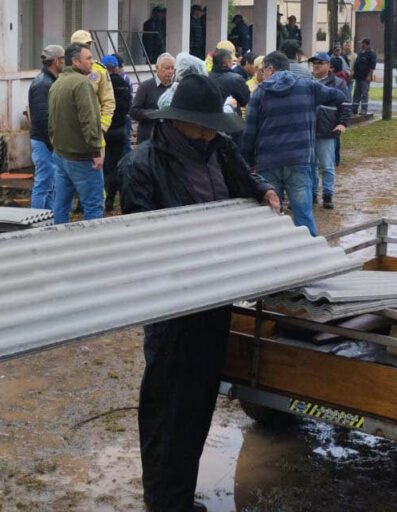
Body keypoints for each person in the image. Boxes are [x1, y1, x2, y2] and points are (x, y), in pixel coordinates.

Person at [119, 75, 279, 512]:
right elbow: (139, 247)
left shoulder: (218, 151)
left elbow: (246, 180)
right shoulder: (141, 165)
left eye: (214, 124)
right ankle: (164, 502)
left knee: (198, 404)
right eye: (202, 125)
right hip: (173, 309)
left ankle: (180, 497)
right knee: (166, 408)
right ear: (178, 122)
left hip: (215, 298)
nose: (209, 131)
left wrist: (264, 189)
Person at [242, 51, 348, 236]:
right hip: (299, 160)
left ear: (271, 69)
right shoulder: (308, 86)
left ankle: (276, 257)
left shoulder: (260, 92)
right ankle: (310, 255)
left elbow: (250, 132)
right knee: (303, 215)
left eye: (263, 70)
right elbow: (338, 96)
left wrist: (248, 161)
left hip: (269, 162)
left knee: (271, 214)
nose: (262, 74)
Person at [48, 43, 104, 224]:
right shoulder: (82, 84)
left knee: (61, 205)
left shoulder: (58, 82)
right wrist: (96, 152)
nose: (92, 62)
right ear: (75, 61)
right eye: (88, 58)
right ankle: (91, 248)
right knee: (94, 206)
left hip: (61, 154)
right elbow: (90, 120)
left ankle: (59, 243)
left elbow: (51, 121)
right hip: (81, 158)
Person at [309, 52, 351, 210]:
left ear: (328, 66)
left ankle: (327, 195)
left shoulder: (338, 83)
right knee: (310, 165)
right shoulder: (308, 81)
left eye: (320, 63)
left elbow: (346, 105)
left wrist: (342, 123)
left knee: (327, 165)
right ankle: (312, 193)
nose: (316, 65)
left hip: (327, 130)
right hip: (308, 130)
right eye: (314, 63)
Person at [28, 44, 65, 210]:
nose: (65, 63)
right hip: (44, 142)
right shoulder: (42, 85)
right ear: (57, 61)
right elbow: (43, 119)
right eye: (63, 59)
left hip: (48, 142)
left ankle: (50, 220)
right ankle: (36, 224)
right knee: (43, 185)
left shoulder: (50, 81)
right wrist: (53, 143)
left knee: (52, 186)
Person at [69, 29, 116, 142]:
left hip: (93, 132)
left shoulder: (99, 70)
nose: (87, 47)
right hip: (69, 131)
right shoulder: (65, 69)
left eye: (88, 44)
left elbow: (108, 101)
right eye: (84, 44)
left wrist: (102, 127)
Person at [101, 54, 133, 212]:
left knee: (101, 166)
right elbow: (128, 106)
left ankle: (95, 198)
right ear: (116, 67)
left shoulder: (101, 83)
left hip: (103, 130)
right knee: (114, 166)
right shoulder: (124, 83)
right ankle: (110, 200)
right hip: (120, 129)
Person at [131, 53, 176, 143]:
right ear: (157, 68)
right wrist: (155, 114)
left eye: (172, 68)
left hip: (169, 139)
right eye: (167, 68)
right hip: (148, 139)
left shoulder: (175, 88)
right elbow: (134, 111)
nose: (170, 71)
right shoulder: (145, 87)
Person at [208, 47, 251, 116]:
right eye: (231, 60)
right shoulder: (236, 79)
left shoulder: (205, 77)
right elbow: (245, 100)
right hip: (230, 120)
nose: (233, 63)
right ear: (227, 61)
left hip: (208, 119)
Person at [351, 37, 377, 115]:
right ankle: (354, 109)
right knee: (356, 94)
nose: (361, 45)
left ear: (366, 44)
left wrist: (369, 75)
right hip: (358, 76)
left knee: (364, 94)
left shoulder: (371, 53)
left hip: (365, 77)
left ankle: (364, 109)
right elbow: (356, 63)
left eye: (362, 43)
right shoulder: (360, 52)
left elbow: (372, 66)